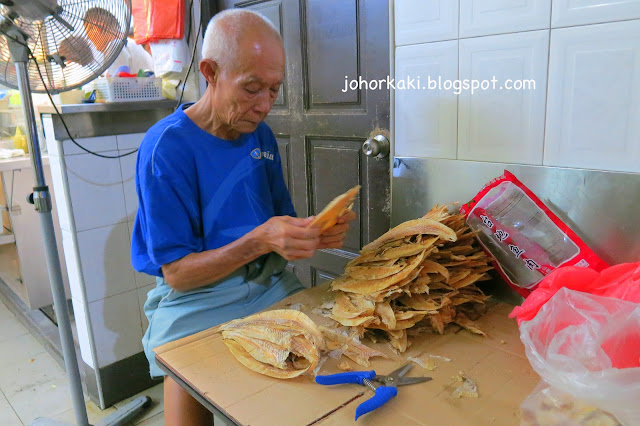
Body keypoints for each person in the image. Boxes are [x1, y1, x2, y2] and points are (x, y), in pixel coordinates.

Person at [131, 9, 356, 426]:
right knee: (185, 377)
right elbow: (178, 274)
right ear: (210, 72)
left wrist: (310, 234)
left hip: (267, 283)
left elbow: (278, 225)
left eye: (273, 90)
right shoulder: (167, 148)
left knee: (327, 372)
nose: (265, 105)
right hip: (195, 298)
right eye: (252, 88)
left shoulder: (260, 136)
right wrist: (261, 240)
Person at [83, 7, 153, 76]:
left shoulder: (115, 47)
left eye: (88, 32)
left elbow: (116, 84)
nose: (89, 38)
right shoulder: (129, 43)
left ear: (97, 28)